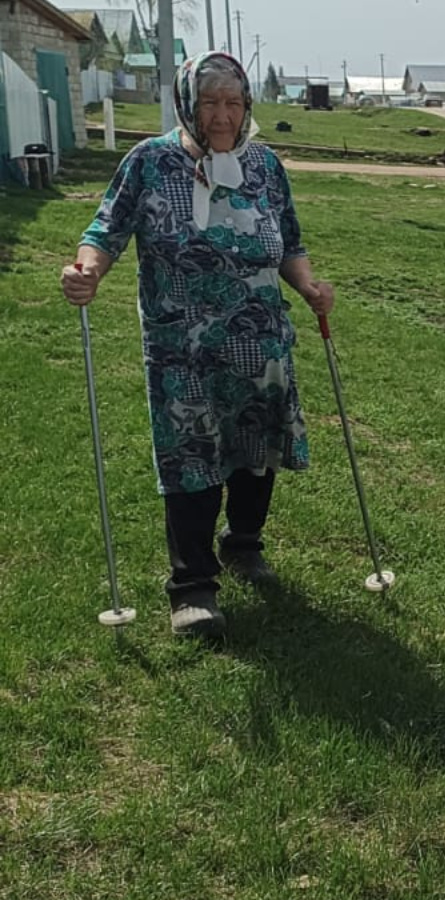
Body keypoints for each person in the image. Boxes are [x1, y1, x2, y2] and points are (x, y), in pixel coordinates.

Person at [60, 52, 334, 638]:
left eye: (233, 102)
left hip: (259, 339)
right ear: (187, 103)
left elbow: (288, 239)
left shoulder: (264, 166)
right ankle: (193, 587)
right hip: (181, 346)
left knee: (256, 442)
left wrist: (308, 285)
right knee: (191, 455)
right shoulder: (150, 162)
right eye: (209, 102)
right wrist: (88, 271)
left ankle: (243, 544)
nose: (222, 115)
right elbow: (104, 230)